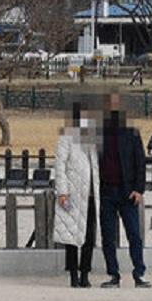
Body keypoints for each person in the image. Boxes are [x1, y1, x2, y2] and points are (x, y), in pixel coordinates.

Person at [98, 93, 149, 288]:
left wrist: (139, 189)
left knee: (134, 234)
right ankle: (113, 274)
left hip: (127, 191)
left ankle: (139, 272)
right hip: (106, 191)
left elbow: (140, 162)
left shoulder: (131, 132)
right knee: (108, 236)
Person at [53, 103, 99, 288]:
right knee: (71, 235)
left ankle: (85, 272)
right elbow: (60, 166)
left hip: (90, 195)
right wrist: (62, 191)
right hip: (71, 194)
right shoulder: (66, 138)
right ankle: (73, 273)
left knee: (89, 235)